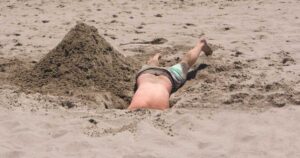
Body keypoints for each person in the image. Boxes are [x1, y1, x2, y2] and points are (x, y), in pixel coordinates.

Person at [128, 38, 213, 110]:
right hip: (148, 73)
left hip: (166, 77)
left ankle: (155, 58)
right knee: (185, 63)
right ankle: (200, 44)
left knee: (185, 64)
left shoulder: (137, 109)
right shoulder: (136, 108)